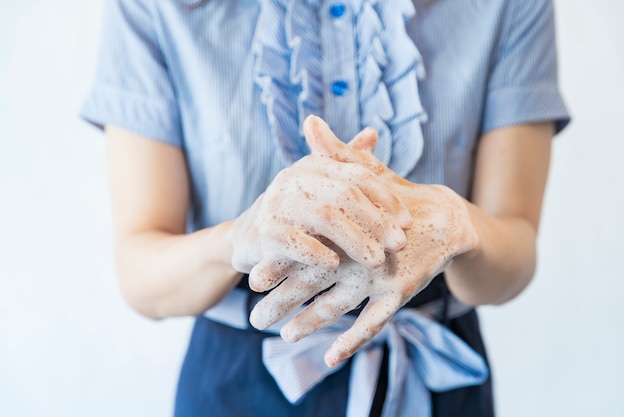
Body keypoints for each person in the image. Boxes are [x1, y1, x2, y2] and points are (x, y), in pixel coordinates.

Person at [80, 0, 570, 416]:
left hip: (433, 366)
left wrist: (457, 223)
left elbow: (516, 254)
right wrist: (237, 238)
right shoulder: (151, 8)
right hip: (237, 380)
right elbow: (140, 272)